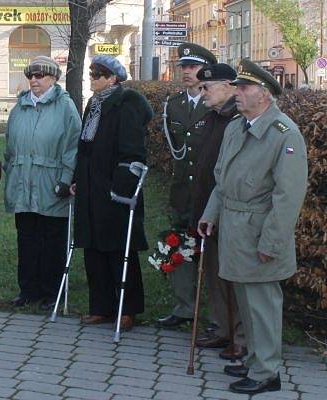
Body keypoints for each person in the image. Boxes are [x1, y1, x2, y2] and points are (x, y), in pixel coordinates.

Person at [199, 59, 307, 395]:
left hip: (259, 232)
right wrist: (210, 214)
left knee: (262, 306)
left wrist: (271, 242)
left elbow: (287, 197)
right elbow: (222, 180)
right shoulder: (237, 126)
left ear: (264, 95)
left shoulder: (284, 134)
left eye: (243, 88)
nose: (237, 93)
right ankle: (254, 360)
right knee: (247, 303)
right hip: (235, 227)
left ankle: (267, 372)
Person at [73, 56, 151, 330]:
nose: (92, 77)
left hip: (115, 189)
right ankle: (101, 306)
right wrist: (76, 178)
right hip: (90, 186)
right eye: (91, 72)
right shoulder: (93, 104)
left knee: (119, 248)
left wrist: (120, 187)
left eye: (98, 74)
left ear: (113, 79)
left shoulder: (126, 104)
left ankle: (127, 308)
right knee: (93, 248)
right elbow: (84, 146)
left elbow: (133, 150)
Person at [3, 56, 81, 311]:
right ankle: (28, 289)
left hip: (51, 183)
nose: (34, 80)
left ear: (53, 79)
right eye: (31, 76)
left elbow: (72, 146)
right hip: (22, 183)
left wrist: (65, 179)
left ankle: (52, 291)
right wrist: (10, 172)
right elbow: (9, 148)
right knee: (26, 239)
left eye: (40, 76)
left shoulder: (65, 107)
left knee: (52, 240)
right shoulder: (20, 107)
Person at [157, 42, 218, 329]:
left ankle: (219, 318)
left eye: (192, 67)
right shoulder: (174, 104)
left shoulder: (216, 104)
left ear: (206, 69)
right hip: (182, 189)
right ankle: (184, 308)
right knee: (180, 247)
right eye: (183, 67)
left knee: (214, 255)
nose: (186, 72)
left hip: (209, 190)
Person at [190, 63, 247, 361]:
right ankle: (223, 328)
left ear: (227, 87)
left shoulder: (237, 119)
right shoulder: (213, 117)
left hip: (231, 210)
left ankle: (240, 336)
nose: (202, 94)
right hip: (209, 208)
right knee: (213, 273)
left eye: (207, 88)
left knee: (233, 277)